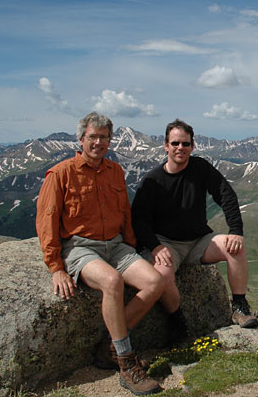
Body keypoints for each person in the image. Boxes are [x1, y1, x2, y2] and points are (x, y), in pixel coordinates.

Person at [36, 112, 163, 396]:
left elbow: (124, 212)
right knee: (112, 282)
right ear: (81, 139)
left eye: (103, 137)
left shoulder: (115, 171)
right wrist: (56, 267)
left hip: (116, 245)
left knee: (155, 282)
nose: (98, 142)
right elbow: (47, 220)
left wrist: (131, 244)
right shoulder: (61, 173)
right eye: (92, 137)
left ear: (109, 140)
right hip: (80, 247)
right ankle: (126, 361)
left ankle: (110, 346)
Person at [132, 119, 258, 336]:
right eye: (175, 143)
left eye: (185, 143)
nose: (180, 148)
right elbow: (138, 219)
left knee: (236, 248)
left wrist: (236, 231)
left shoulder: (200, 167)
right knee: (162, 275)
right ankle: (177, 320)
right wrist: (155, 247)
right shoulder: (153, 180)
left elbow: (225, 194)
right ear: (166, 146)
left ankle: (239, 307)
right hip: (166, 243)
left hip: (199, 240)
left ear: (192, 146)